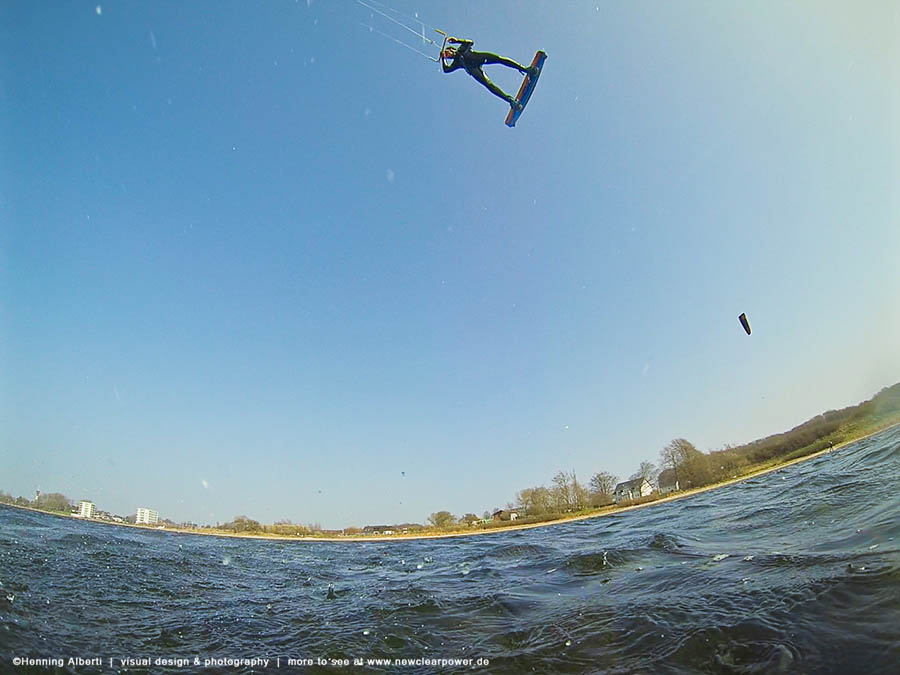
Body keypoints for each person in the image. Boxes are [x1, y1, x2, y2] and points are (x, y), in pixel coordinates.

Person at [441, 37, 536, 109]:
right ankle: (511, 101)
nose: (448, 55)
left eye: (448, 52)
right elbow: (446, 70)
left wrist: (457, 41)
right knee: (488, 85)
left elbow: (470, 42)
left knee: (500, 59)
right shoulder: (456, 63)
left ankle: (525, 69)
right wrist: (443, 59)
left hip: (479, 58)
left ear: (452, 49)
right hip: (474, 70)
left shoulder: (461, 49)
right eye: (447, 56)